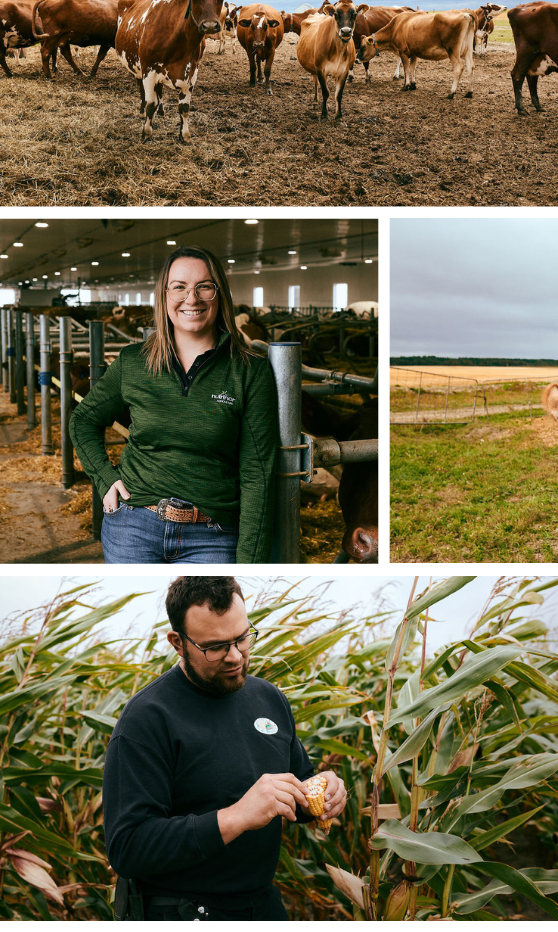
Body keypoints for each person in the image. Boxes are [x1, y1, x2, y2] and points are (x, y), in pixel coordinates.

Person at [103, 577, 346, 921]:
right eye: (215, 646)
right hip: (182, 910)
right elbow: (129, 847)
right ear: (177, 642)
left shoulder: (268, 698)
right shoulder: (147, 719)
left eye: (242, 638)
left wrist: (323, 794)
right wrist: (236, 817)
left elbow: (299, 788)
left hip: (260, 905)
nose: (235, 657)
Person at [69, 244, 278, 563]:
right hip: (133, 527)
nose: (191, 298)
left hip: (213, 536)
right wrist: (104, 477)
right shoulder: (133, 362)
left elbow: (257, 475)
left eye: (204, 287)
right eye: (178, 287)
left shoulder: (249, 371)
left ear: (220, 294)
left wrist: (250, 561)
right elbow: (83, 420)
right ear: (163, 296)